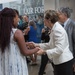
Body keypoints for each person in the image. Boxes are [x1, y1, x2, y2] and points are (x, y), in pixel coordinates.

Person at [27, 10, 74, 75]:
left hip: (64, 62)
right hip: (59, 62)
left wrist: (44, 52)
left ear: (49, 20)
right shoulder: (54, 28)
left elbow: (59, 49)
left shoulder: (58, 30)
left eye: (44, 18)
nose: (43, 20)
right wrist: (36, 45)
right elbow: (50, 45)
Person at [0, 7, 39, 75]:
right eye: (17, 17)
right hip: (16, 66)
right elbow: (25, 52)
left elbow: (10, 44)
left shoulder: (2, 32)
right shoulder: (17, 32)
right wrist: (37, 49)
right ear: (12, 19)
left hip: (4, 66)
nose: (18, 20)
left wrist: (25, 44)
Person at [57, 7, 75, 74]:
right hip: (66, 59)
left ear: (64, 15)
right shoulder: (63, 25)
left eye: (59, 14)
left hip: (71, 59)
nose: (57, 16)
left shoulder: (72, 25)